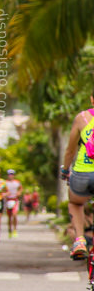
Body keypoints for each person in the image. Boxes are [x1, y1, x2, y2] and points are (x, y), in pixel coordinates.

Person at [60, 92, 94, 259]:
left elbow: (70, 150)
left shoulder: (82, 118)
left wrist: (65, 170)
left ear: (92, 99)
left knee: (75, 203)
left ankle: (80, 240)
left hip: (83, 172)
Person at [4, 169, 22, 238]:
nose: (10, 175)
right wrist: (5, 194)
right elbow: (2, 190)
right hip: (8, 200)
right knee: (9, 217)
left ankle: (15, 230)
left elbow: (20, 188)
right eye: (9, 174)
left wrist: (19, 193)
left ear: (14, 175)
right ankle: (9, 230)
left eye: (12, 174)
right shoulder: (5, 183)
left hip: (15, 200)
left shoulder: (17, 182)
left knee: (14, 215)